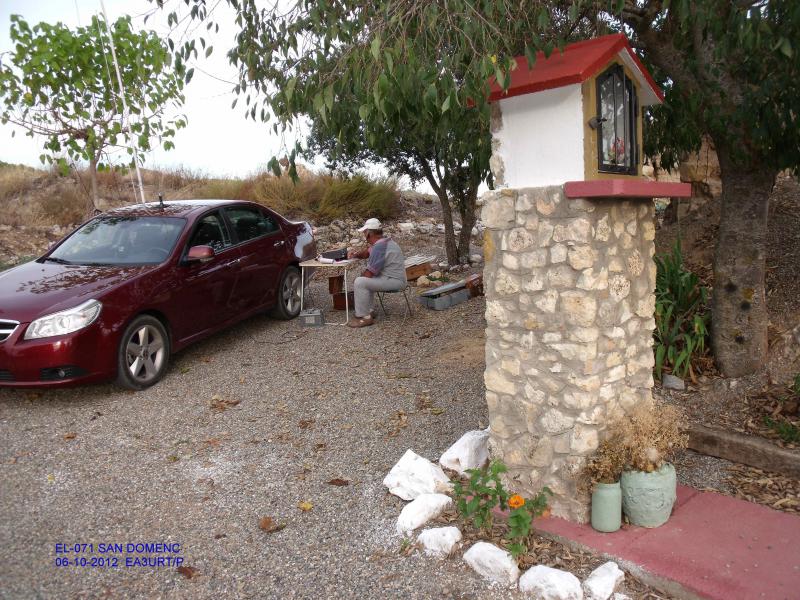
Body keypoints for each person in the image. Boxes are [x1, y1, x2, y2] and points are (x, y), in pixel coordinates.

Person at [346, 218, 406, 328]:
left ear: (369, 233)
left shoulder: (379, 246)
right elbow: (367, 253)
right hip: (395, 278)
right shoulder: (384, 241)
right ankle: (369, 311)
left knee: (360, 282)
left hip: (395, 281)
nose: (364, 235)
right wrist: (355, 255)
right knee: (365, 280)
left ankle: (364, 317)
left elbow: (369, 273)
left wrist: (358, 281)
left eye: (365, 232)